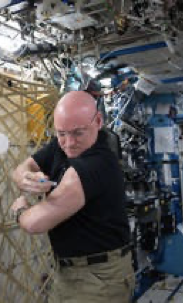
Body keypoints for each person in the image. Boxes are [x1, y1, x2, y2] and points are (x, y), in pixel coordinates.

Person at [11, 91, 135, 303]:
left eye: (78, 133)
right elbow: (23, 166)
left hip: (98, 278)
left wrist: (20, 208)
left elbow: (33, 223)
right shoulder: (65, 145)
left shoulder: (95, 165)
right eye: (61, 134)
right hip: (68, 271)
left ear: (98, 121)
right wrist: (25, 178)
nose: (68, 143)